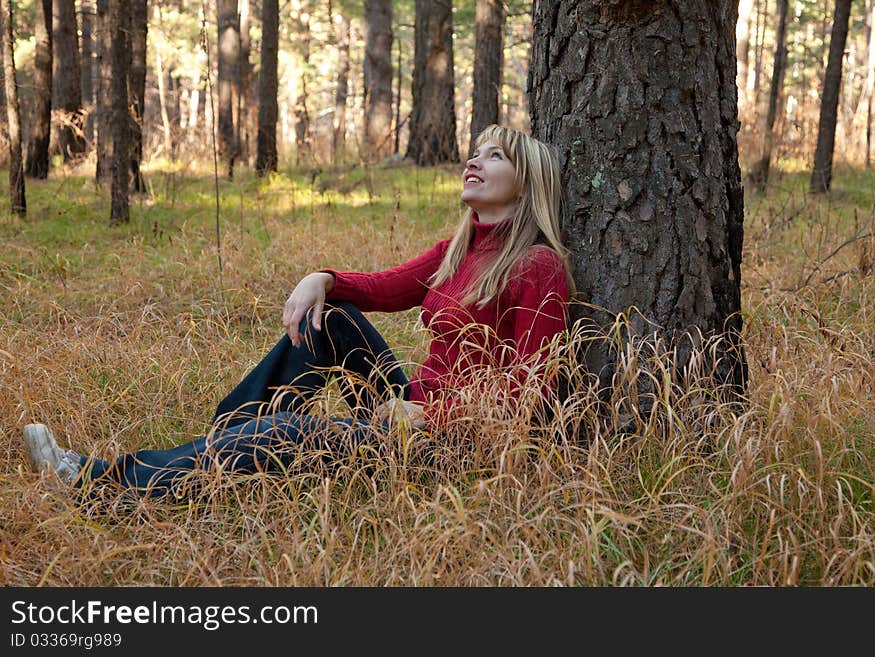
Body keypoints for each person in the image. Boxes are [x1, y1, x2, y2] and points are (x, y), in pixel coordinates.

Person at [22, 124, 575, 499]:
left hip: (452, 446)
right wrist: (324, 279)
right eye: (475, 151)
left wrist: (436, 418)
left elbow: (529, 391)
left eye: (494, 155)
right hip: (411, 414)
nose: (473, 160)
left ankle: (95, 483)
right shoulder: (459, 248)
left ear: (528, 181)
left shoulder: (537, 266)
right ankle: (228, 442)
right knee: (329, 318)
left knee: (289, 433)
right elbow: (383, 288)